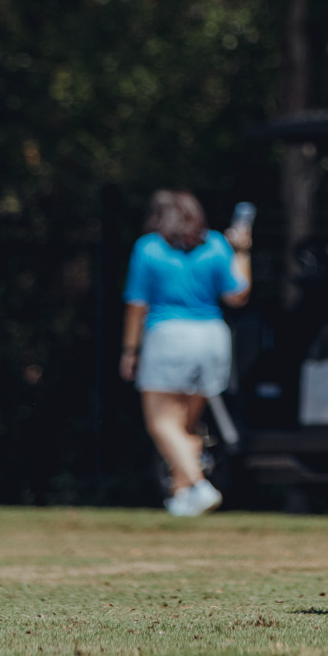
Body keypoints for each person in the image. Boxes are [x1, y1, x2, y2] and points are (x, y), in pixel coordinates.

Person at [121, 190, 251, 516]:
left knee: (161, 424)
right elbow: (238, 295)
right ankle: (181, 497)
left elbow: (137, 305)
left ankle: (199, 485)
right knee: (186, 427)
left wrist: (130, 350)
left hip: (169, 336)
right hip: (212, 338)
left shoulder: (149, 247)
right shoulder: (216, 244)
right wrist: (242, 251)